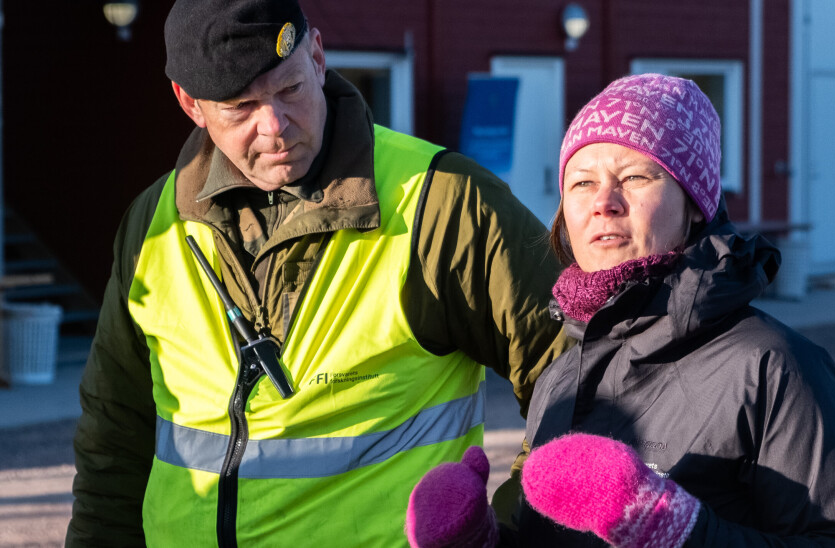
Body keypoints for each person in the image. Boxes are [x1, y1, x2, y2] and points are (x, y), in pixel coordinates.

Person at [65, 1, 570, 546]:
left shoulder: (444, 204)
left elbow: (580, 376)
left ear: (318, 57)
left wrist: (508, 532)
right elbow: (114, 439)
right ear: (190, 104)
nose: (275, 127)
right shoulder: (152, 225)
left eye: (289, 90)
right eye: (240, 107)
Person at [406, 74, 835, 547]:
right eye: (581, 182)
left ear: (696, 203)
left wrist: (675, 531)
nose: (603, 203)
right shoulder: (562, 372)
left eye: (635, 177)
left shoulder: (775, 367)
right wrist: (480, 541)